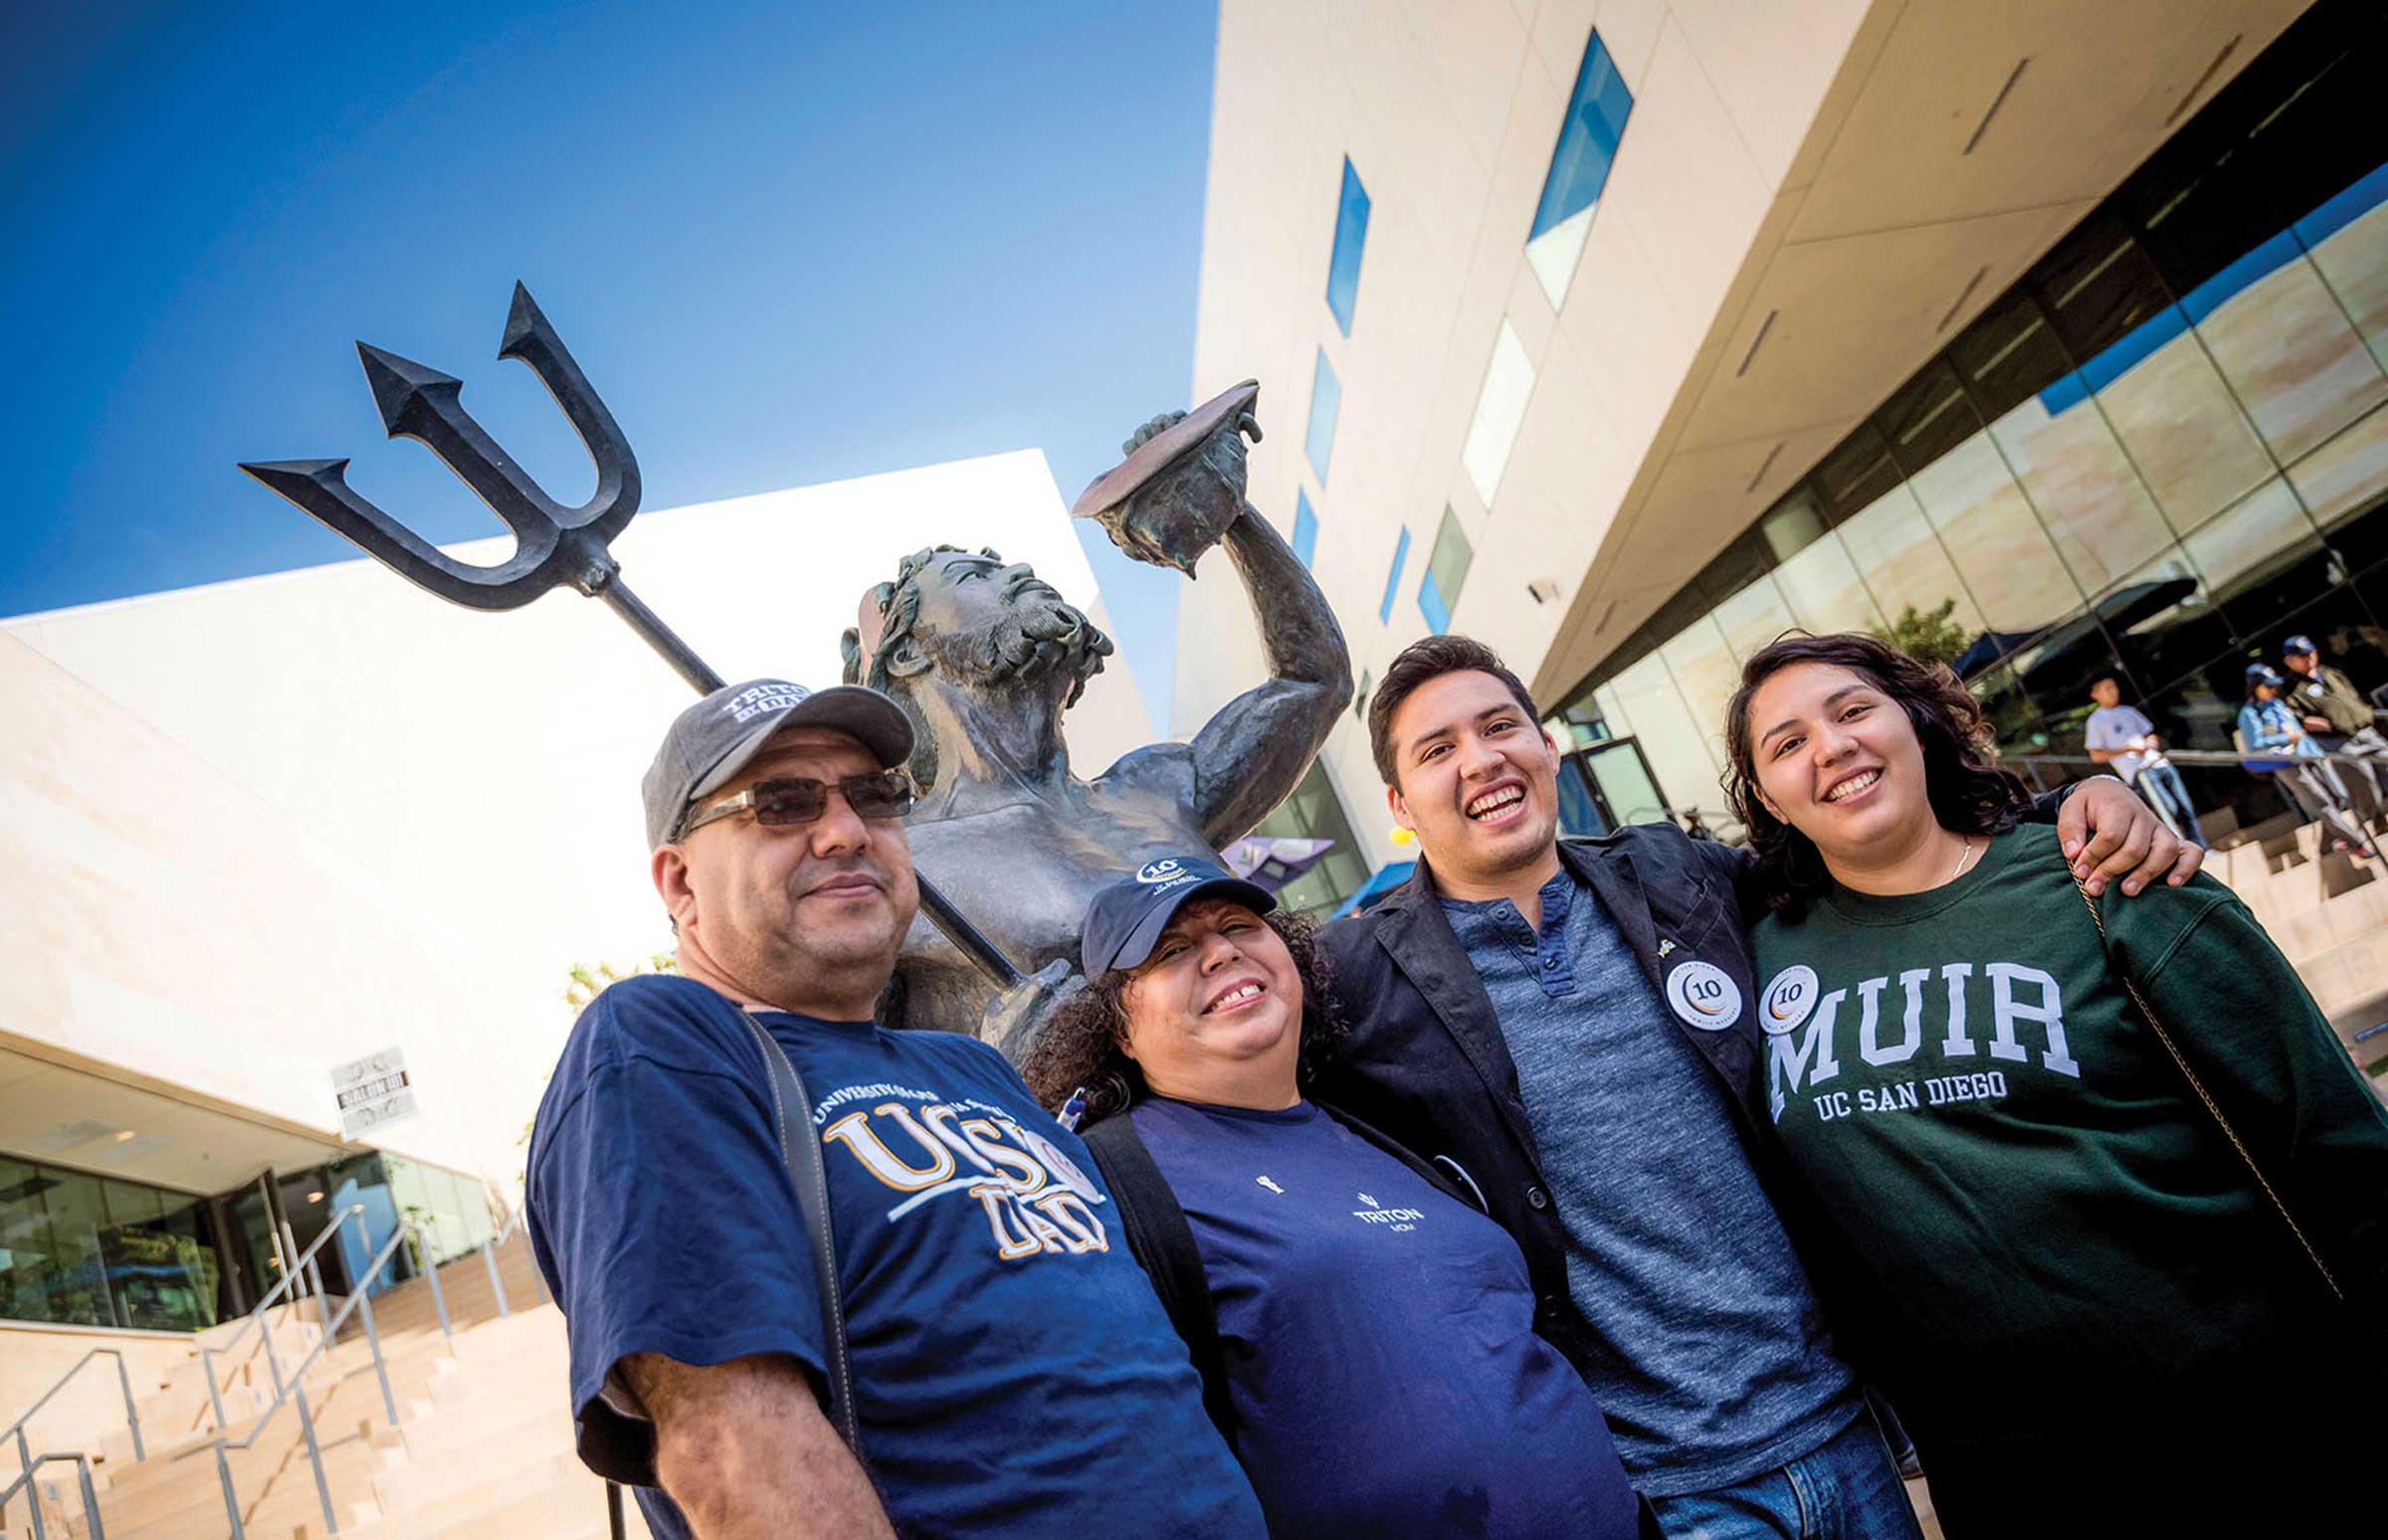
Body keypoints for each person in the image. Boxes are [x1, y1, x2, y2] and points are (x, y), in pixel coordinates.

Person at [1307, 635, 2198, 1540]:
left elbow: (1856, 850)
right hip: (1663, 1487)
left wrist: (2071, 803)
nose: (1481, 759)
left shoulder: (1674, 875)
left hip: (1849, 1430)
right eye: (1438, 750)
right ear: (1399, 805)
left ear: (1548, 747)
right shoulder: (1354, 983)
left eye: (1501, 727)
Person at [524, 678, 1265, 1540]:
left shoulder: (976, 1068)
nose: (845, 831)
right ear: (681, 883)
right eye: (781, 803)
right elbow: (729, 1449)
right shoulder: (661, 1041)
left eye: (874, 795)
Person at [1721, 631, 2388, 1534]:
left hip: (2253, 1423)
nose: (1831, 747)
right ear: (1768, 797)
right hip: (2002, 1477)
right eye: (1787, 742)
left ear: (1916, 723)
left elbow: (2339, 1145)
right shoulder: (1753, 961)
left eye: (1851, 711)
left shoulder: (2110, 878)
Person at [1018, 855, 1648, 1540]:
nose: (1221, 952)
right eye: (1171, 950)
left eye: (1239, 925)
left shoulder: (1376, 1127)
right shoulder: (1106, 1183)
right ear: (1119, 1029)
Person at [839, 401, 1350, 1043]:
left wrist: (1225, 512)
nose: (1022, 573)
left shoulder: (1156, 786)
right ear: (911, 652)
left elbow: (1313, 680)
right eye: (977, 575)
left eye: (1011, 566)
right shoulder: (889, 864)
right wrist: (1009, 1072)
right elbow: (844, 1081)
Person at [2239, 663, 2373, 858]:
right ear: (2255, 687)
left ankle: (2328, 845)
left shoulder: (2277, 703)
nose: (2272, 689)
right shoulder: (2249, 713)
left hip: (2308, 756)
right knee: (2321, 803)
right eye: (2268, 686)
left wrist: (2316, 752)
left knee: (2337, 796)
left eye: (2273, 685)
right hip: (2286, 763)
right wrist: (2287, 738)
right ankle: (2358, 843)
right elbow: (2256, 743)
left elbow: (2299, 730)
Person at [2083, 672, 2205, 847]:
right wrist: (2128, 749)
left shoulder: (2128, 711)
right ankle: (2182, 848)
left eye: (2114, 686)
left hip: (2159, 763)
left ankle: (2201, 847)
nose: (2113, 691)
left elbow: (2149, 734)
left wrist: (2150, 742)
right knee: (2169, 810)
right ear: (2095, 695)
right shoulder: (2095, 721)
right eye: (2107, 688)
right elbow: (2096, 755)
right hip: (2139, 773)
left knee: (2186, 808)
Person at [2283, 633, 2386, 809]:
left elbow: (2352, 694)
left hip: (2365, 731)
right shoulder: (2291, 688)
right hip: (2341, 742)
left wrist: (2362, 711)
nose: (2309, 658)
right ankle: (2376, 820)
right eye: (2302, 656)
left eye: (2311, 652)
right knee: (2365, 785)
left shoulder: (2330, 672)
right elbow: (2294, 718)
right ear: (2289, 661)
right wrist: (2310, 723)